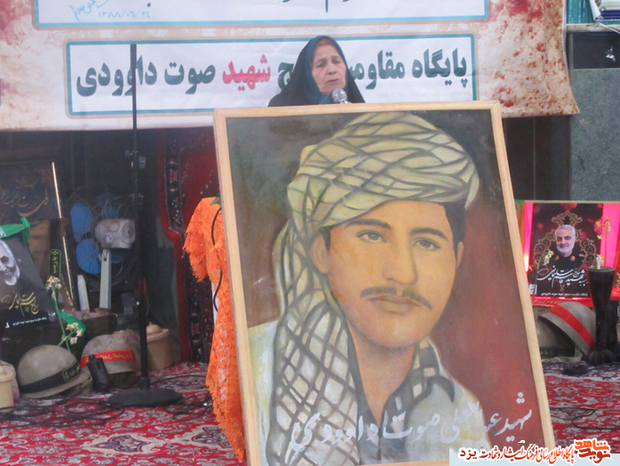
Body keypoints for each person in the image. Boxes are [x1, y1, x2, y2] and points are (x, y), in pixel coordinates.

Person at [250, 112, 491, 466]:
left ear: (455, 259)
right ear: (322, 252)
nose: (403, 273)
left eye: (426, 243)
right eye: (372, 236)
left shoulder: (458, 407)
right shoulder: (255, 370)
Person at [268, 35, 365, 107]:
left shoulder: (359, 110)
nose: (332, 70)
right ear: (307, 74)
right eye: (321, 65)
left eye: (336, 62)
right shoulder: (282, 109)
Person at [535, 225, 587, 296]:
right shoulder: (548, 262)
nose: (563, 242)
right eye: (559, 239)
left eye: (567, 238)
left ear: (574, 239)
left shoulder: (582, 261)